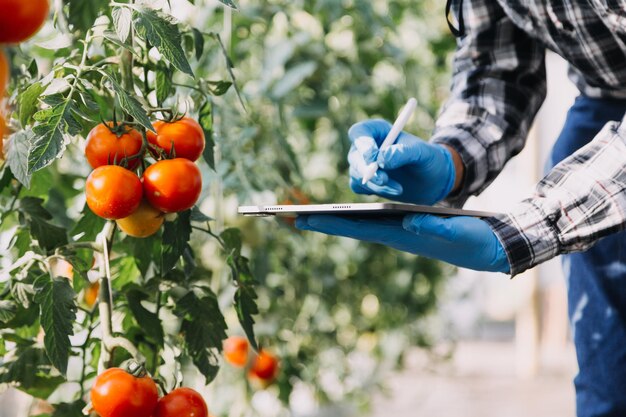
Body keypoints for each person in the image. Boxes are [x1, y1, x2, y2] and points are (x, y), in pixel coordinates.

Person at [295, 1, 626, 416]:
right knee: (608, 381)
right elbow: (500, 62)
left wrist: (527, 229)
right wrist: (451, 159)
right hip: (606, 100)